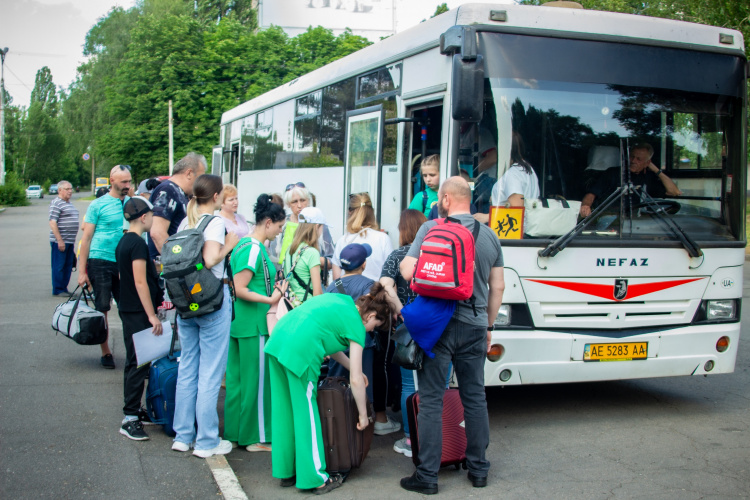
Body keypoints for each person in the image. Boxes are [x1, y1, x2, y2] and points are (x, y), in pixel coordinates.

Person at [399, 177, 505, 494]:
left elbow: (407, 271)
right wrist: (488, 326)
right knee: (474, 398)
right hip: (474, 325)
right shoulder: (490, 236)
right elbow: (498, 287)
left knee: (432, 401)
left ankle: (428, 476)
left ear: (445, 199)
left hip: (437, 325)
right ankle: (478, 470)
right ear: (468, 200)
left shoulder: (429, 229)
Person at [263, 287, 392, 494]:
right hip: (300, 350)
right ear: (371, 315)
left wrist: (352, 367)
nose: (369, 331)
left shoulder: (340, 301)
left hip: (278, 339)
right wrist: (363, 416)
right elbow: (356, 381)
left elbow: (329, 341)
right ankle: (315, 478)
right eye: (373, 326)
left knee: (284, 411)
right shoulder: (357, 325)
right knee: (307, 414)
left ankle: (287, 471)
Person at [170, 174, 239, 458]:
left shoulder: (186, 221)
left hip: (186, 303)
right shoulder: (215, 222)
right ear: (215, 197)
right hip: (212, 301)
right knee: (210, 373)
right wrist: (230, 244)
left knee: (188, 368)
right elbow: (211, 260)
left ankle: (182, 435)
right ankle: (207, 440)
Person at [224, 194, 287, 453]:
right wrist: (273, 296)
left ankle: (237, 432)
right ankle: (255, 438)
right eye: (280, 227)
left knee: (239, 382)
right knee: (257, 383)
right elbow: (240, 288)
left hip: (243, 323)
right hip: (256, 324)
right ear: (269, 222)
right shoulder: (253, 248)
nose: (280, 232)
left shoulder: (243, 245)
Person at [379, 208, 427, 458]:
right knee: (437, 381)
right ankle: (433, 435)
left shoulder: (397, 255)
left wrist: (400, 309)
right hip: (437, 322)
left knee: (409, 383)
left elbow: (385, 285)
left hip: (407, 325)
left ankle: (411, 439)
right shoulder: (432, 252)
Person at [115, 197, 163, 441]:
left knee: (136, 361)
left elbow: (126, 279)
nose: (153, 219)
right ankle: (130, 417)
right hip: (138, 312)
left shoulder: (124, 241)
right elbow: (139, 280)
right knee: (138, 363)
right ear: (144, 217)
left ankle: (134, 410)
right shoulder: (137, 244)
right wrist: (152, 315)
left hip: (129, 309)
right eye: (152, 215)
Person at [77, 165, 132, 369]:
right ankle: (106, 351)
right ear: (112, 181)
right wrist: (82, 271)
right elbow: (86, 238)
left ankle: (134, 353)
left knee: (128, 308)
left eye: (129, 181)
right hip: (100, 260)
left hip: (124, 262)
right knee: (103, 308)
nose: (127, 185)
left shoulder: (132, 204)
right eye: (123, 182)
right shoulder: (98, 205)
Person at [579, 143, 682, 217]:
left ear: (647, 163)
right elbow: (591, 194)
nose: (633, 161)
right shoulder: (612, 173)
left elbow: (674, 192)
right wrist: (586, 206)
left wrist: (655, 169)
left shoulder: (649, 178)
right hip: (611, 219)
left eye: (639, 159)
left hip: (638, 223)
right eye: (632, 157)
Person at [149, 152, 207, 260]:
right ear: (189, 173)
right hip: (167, 268)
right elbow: (157, 232)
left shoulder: (178, 192)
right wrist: (179, 261)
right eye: (200, 178)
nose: (201, 183)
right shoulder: (168, 190)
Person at [475, 132, 540, 225]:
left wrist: (487, 217)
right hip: (526, 228)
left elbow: (517, 209)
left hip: (511, 232)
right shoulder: (528, 170)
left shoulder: (513, 174)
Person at [273, 182, 334, 274]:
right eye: (294, 201)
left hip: (312, 282)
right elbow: (274, 257)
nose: (299, 205)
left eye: (302, 200)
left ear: (308, 201)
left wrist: (308, 258)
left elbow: (332, 261)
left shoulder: (318, 224)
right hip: (285, 283)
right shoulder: (283, 224)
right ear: (288, 204)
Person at [332, 192, 393, 282]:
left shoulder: (343, 240)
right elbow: (390, 273)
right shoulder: (383, 239)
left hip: (347, 294)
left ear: (350, 212)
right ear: (372, 212)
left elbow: (336, 279)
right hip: (374, 294)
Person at [282, 207, 326, 306]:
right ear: (316, 226)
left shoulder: (290, 248)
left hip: (291, 305)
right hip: (307, 307)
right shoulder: (312, 252)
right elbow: (317, 293)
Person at [48, 180, 79, 296]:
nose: (70, 191)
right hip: (60, 241)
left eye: (71, 189)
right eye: (67, 189)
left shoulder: (69, 204)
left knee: (68, 265)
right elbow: (52, 222)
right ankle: (58, 289)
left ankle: (64, 288)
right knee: (59, 265)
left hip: (69, 240)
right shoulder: (56, 203)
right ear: (60, 190)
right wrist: (59, 240)